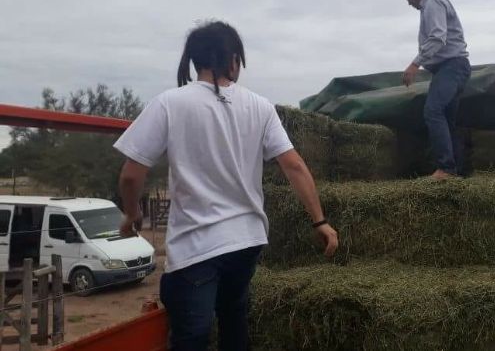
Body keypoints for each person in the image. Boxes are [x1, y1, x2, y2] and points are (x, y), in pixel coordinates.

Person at [113, 21, 338, 351]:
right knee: (233, 324)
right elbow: (294, 165)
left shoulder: (169, 103)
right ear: (233, 59)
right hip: (246, 241)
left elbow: (131, 175)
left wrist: (132, 214)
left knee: (192, 336)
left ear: (195, 60)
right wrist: (320, 221)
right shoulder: (260, 106)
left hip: (196, 246)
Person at [402, 0, 472, 179]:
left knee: (433, 111)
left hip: (451, 66)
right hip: (454, 67)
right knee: (447, 119)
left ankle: (447, 168)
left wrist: (415, 64)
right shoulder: (434, 4)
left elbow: (438, 37)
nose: (409, 3)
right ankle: (455, 170)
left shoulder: (432, 3)